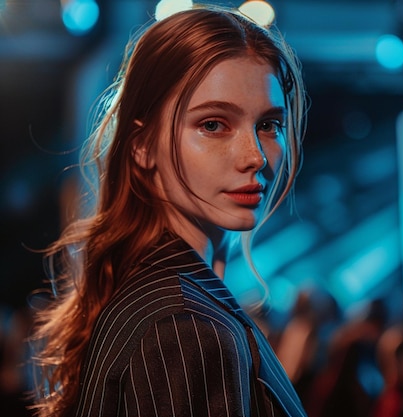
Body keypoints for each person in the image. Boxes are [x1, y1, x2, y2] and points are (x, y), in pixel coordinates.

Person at [29, 5, 307, 417]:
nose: (255, 156)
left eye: (268, 125)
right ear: (142, 145)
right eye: (213, 125)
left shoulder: (160, 295)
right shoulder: (183, 326)